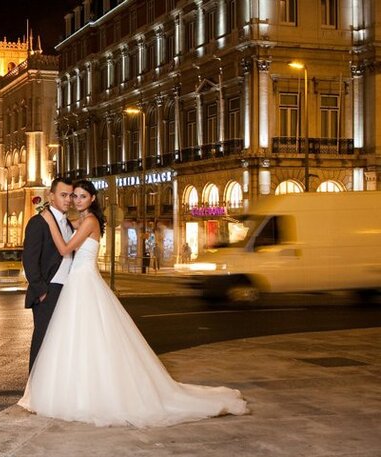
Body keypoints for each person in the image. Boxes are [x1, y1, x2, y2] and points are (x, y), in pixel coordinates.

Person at [18, 179, 247, 427]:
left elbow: (64, 249)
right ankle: (52, 390)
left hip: (81, 284)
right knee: (68, 341)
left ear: (92, 199)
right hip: (70, 286)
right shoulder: (77, 221)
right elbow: (36, 255)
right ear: (55, 196)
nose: (75, 200)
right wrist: (51, 221)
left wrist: (51, 220)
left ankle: (79, 393)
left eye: (81, 196)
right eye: (73, 196)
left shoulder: (89, 221)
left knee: (85, 341)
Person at [22, 177, 73, 373]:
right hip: (48, 291)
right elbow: (30, 261)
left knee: (60, 342)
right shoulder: (38, 222)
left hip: (67, 290)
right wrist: (42, 291)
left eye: (70, 195)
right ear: (51, 196)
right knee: (43, 340)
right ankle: (34, 386)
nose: (68, 199)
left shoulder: (67, 223)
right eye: (63, 195)